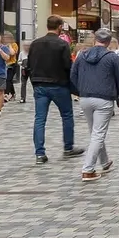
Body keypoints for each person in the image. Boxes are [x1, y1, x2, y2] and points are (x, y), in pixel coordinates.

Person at [71, 29, 119, 182]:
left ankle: (104, 161)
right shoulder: (112, 57)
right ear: (108, 42)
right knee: (98, 134)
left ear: (95, 40)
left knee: (95, 132)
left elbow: (72, 75)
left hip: (85, 98)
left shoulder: (82, 55)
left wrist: (79, 91)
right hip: (104, 98)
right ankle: (88, 170)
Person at [29, 15, 84, 165]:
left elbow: (29, 65)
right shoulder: (62, 45)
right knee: (67, 116)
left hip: (40, 85)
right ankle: (68, 147)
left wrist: (34, 81)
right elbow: (68, 67)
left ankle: (40, 153)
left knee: (40, 119)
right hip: (59, 85)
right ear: (59, 27)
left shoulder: (35, 44)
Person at [3, 33, 20, 103]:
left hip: (12, 65)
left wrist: (9, 45)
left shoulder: (14, 45)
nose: (5, 39)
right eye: (5, 38)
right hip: (5, 65)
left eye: (7, 38)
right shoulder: (3, 46)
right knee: (8, 81)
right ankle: (13, 94)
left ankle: (6, 95)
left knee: (8, 80)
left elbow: (12, 53)